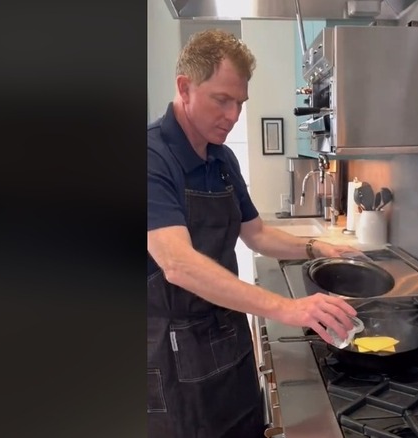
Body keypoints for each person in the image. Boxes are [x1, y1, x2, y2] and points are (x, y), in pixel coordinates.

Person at [147, 29, 359, 438]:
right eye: (221, 100)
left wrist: (316, 246)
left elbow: (256, 234)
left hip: (228, 338)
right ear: (184, 88)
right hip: (175, 355)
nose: (232, 115)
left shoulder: (222, 158)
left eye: (239, 103)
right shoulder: (153, 158)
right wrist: (288, 309)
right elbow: (178, 264)